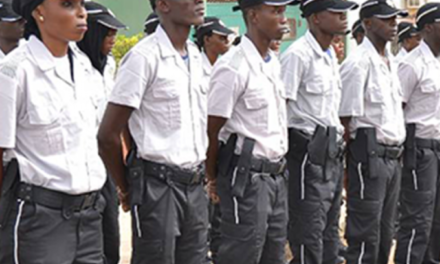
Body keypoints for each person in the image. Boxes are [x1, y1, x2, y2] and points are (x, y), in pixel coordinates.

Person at [97, 0, 209, 263]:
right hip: (158, 187)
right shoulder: (142, 58)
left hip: (194, 183)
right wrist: (126, 188)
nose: (199, 2)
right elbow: (108, 134)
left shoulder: (194, 55)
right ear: (164, 4)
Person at [0, 0, 107, 263]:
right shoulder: (14, 71)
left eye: (81, 4)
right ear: (39, 12)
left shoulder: (85, 68)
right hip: (40, 219)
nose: (81, 13)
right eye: (68, 4)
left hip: (90, 216)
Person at [205, 0, 293, 263]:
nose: (284, 18)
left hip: (276, 177)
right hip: (247, 180)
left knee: (274, 255)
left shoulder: (272, 63)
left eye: (283, 11)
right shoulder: (233, 66)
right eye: (276, 11)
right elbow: (212, 129)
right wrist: (213, 178)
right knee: (243, 254)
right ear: (254, 16)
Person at [280, 1, 358, 264]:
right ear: (314, 18)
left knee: (328, 230)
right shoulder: (297, 55)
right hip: (306, 152)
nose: (343, 17)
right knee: (308, 231)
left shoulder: (328, 55)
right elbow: (282, 107)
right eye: (335, 13)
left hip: (331, 152)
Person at [339, 1, 407, 263]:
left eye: (395, 18)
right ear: (367, 23)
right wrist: (348, 168)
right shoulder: (358, 63)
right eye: (386, 19)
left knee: (385, 231)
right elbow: (344, 119)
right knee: (365, 233)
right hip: (369, 158)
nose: (394, 24)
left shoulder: (390, 61)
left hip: (391, 157)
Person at [76, 2, 127, 264]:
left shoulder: (109, 65)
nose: (113, 39)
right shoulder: (74, 65)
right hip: (79, 165)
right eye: (107, 33)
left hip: (104, 163)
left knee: (110, 237)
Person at [394, 3, 440, 264]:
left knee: (437, 220)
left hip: (438, 145)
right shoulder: (411, 65)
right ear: (430, 27)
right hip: (419, 149)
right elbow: (396, 109)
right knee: (417, 220)